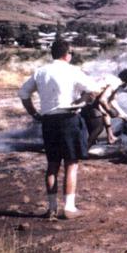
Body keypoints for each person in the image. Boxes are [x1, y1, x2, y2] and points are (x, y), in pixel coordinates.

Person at [18, 40, 100, 220]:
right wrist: (83, 100)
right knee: (71, 164)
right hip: (69, 119)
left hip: (49, 121)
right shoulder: (73, 70)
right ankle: (69, 208)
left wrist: (34, 113)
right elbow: (94, 90)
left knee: (53, 164)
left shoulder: (41, 71)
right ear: (67, 54)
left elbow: (23, 93)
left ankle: (52, 209)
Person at [80, 69, 127, 146]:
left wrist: (124, 116)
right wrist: (110, 111)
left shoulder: (112, 79)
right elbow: (102, 100)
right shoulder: (116, 83)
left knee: (104, 114)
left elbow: (111, 101)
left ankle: (110, 137)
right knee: (98, 128)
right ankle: (83, 152)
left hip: (86, 99)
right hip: (88, 102)